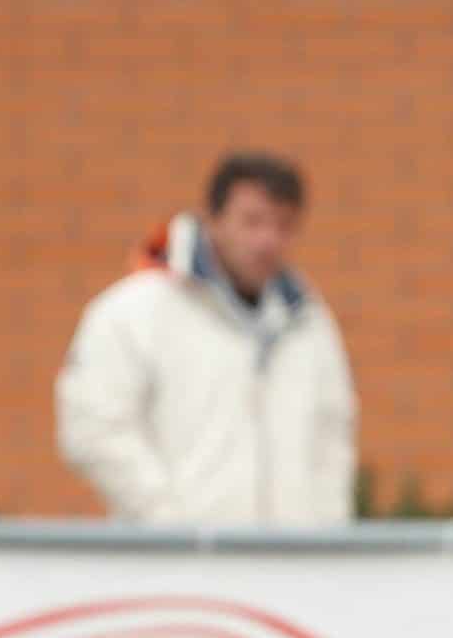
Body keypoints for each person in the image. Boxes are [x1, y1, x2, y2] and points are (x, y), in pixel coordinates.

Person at [57, 152, 357, 526]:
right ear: (213, 220)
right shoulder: (138, 310)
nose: (268, 240)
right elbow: (94, 428)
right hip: (176, 555)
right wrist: (169, 523)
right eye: (252, 221)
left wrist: (325, 533)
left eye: (283, 225)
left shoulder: (308, 322)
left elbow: (332, 437)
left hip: (291, 557)